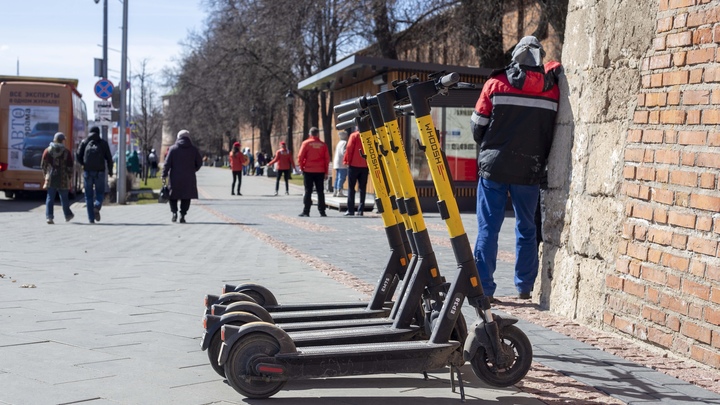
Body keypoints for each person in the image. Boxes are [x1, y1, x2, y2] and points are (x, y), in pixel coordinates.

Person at [470, 36, 562, 301]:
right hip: (529, 169)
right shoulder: (552, 89)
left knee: (489, 228)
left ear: (515, 57)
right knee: (526, 228)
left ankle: (484, 289)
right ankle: (524, 288)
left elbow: (478, 128)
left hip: (494, 168)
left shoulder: (495, 84)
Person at [162, 129, 203, 223]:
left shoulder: (173, 149)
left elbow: (167, 163)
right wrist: (194, 169)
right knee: (186, 196)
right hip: (189, 178)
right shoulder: (193, 149)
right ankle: (183, 215)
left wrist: (164, 174)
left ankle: (174, 213)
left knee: (173, 196)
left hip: (174, 177)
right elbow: (199, 162)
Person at [76, 126, 113, 224]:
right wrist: (110, 171)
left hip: (87, 172)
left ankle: (91, 219)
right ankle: (97, 206)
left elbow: (78, 155)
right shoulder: (103, 143)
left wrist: (84, 164)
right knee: (100, 193)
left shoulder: (84, 142)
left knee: (88, 196)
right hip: (100, 172)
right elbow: (109, 158)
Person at [41, 132, 74, 224]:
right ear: (62, 141)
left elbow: (43, 165)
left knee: (50, 197)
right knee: (64, 198)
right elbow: (70, 166)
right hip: (63, 178)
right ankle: (67, 215)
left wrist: (46, 176)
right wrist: (69, 177)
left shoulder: (47, 151)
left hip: (51, 177)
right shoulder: (66, 152)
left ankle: (49, 217)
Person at [297, 127, 330, 217]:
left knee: (308, 191)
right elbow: (327, 159)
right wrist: (326, 172)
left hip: (308, 170)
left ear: (310, 134)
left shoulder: (306, 143)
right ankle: (322, 211)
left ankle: (306, 211)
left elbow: (300, 157)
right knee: (320, 191)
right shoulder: (323, 145)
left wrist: (301, 167)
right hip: (320, 170)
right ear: (317, 134)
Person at [342, 128, 368, 216]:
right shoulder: (369, 135)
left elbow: (349, 149)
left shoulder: (354, 135)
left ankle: (351, 210)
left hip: (353, 165)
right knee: (362, 188)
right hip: (365, 165)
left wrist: (347, 161)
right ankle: (360, 210)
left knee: (351, 188)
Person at [332, 130, 348, 198]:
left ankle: (335, 190)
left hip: (337, 163)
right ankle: (339, 191)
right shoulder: (345, 143)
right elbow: (344, 152)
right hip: (342, 163)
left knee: (338, 177)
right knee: (342, 177)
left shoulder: (339, 142)